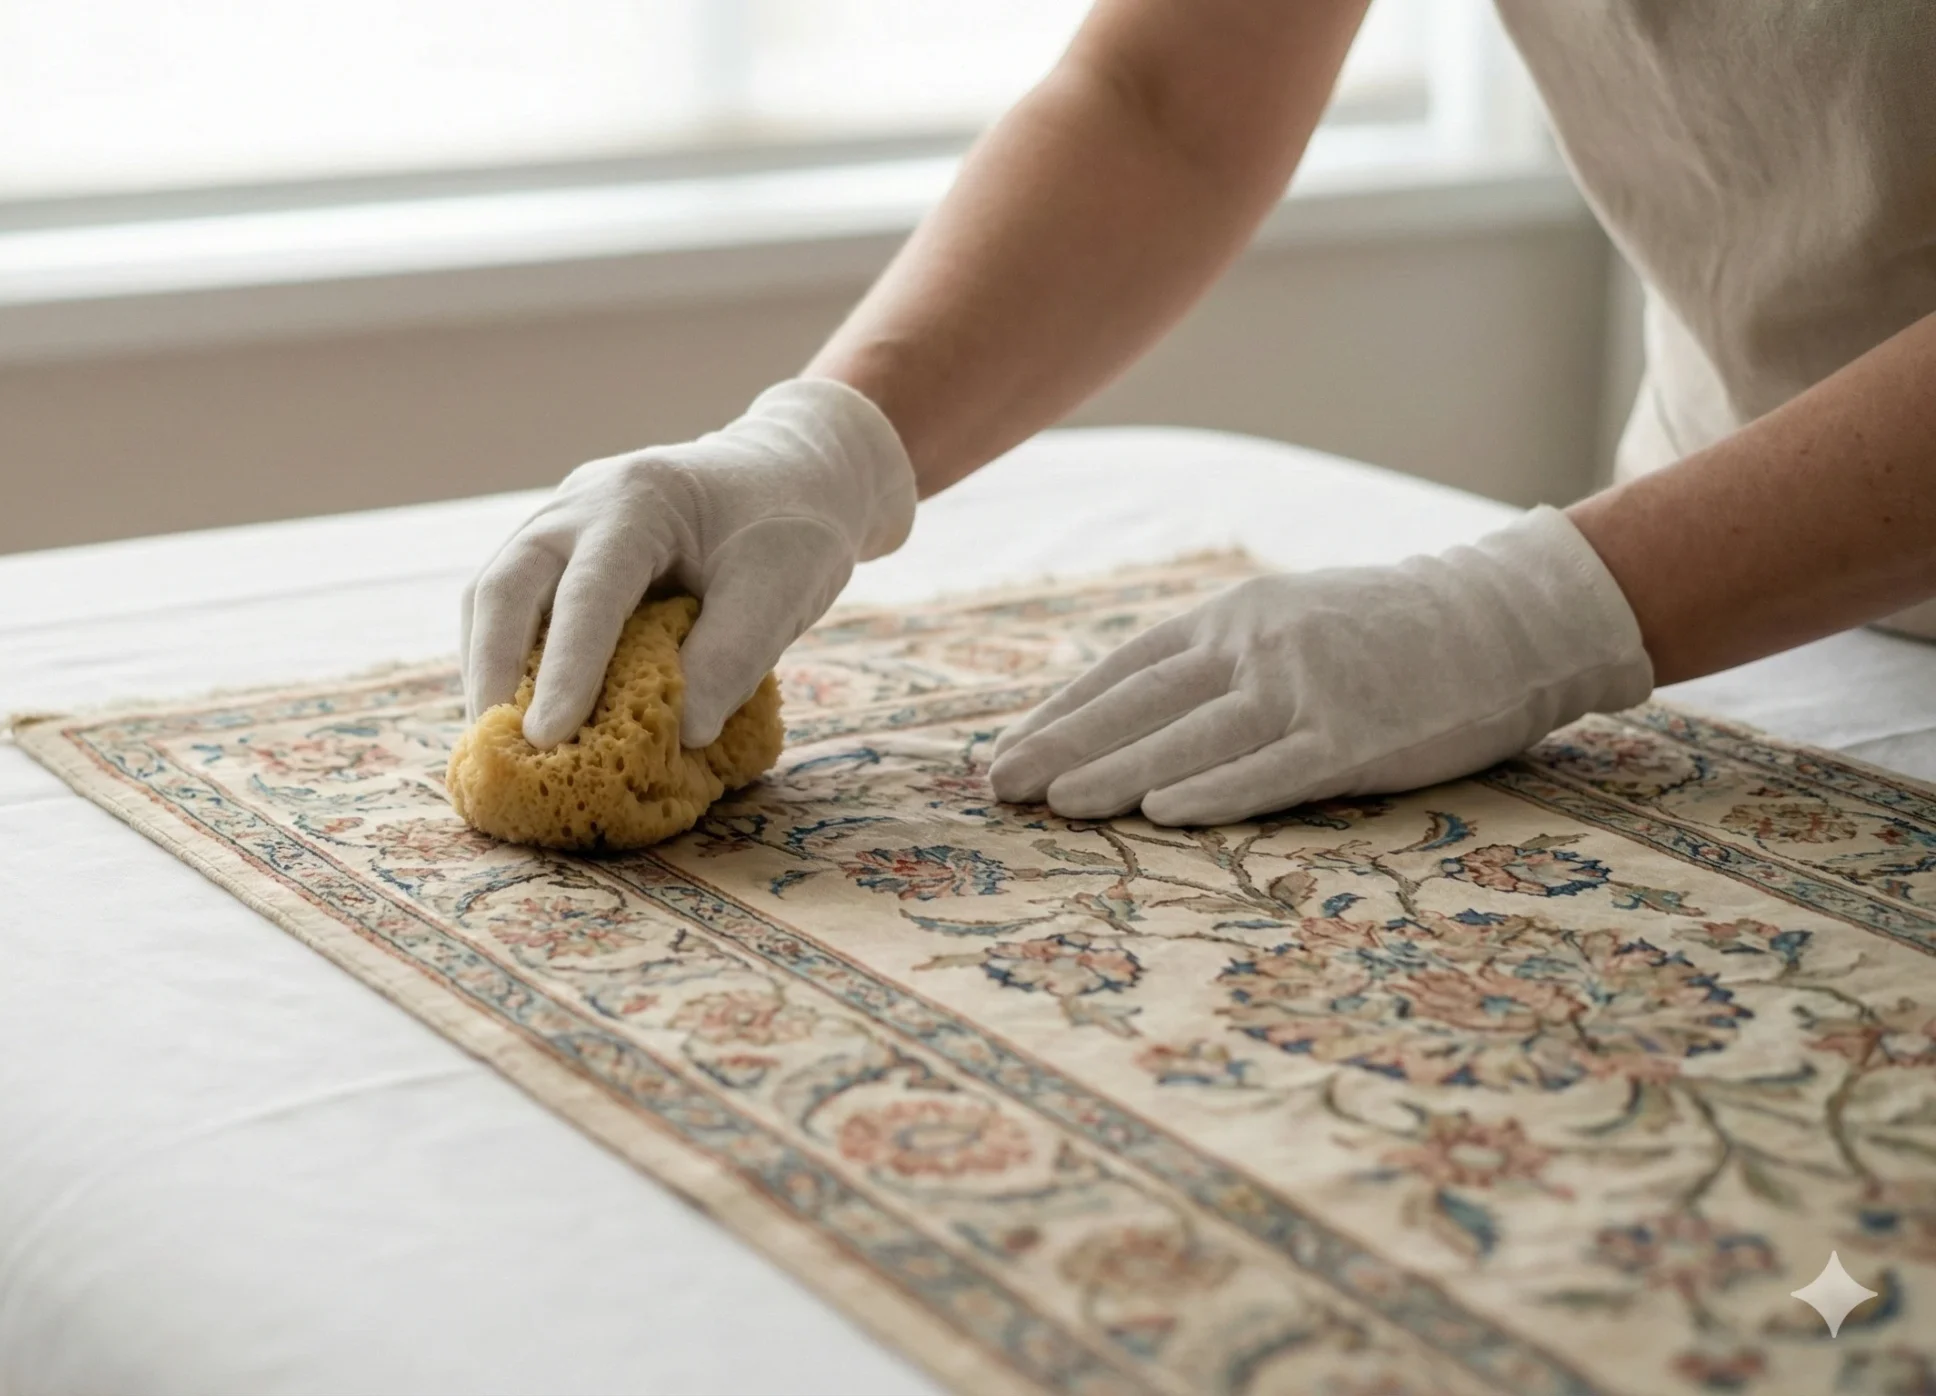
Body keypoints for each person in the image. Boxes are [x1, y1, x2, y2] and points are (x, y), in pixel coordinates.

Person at [459, 0, 1936, 828]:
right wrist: (825, 440)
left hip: (1688, 581)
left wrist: (1540, 611)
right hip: (1731, 577)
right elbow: (1168, 98)